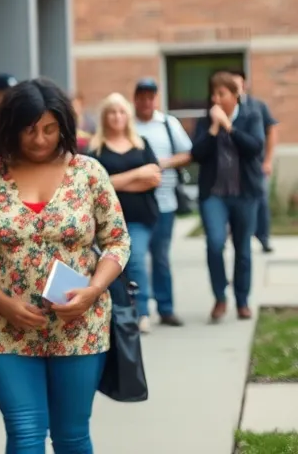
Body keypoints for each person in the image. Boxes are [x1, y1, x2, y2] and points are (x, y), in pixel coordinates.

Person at [0, 78, 129, 454]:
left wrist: (93, 291)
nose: (40, 139)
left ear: (64, 128)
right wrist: (3, 304)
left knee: (72, 435)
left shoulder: (89, 173)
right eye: (30, 129)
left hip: (79, 325)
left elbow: (117, 240)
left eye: (50, 129)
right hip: (1, 326)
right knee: (25, 434)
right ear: (10, 127)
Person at [191, 71, 266, 322]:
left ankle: (242, 301)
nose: (216, 98)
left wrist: (229, 127)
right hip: (214, 195)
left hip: (245, 194)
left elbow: (254, 147)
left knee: (242, 248)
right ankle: (220, 297)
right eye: (214, 93)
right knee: (214, 242)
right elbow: (197, 155)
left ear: (235, 96)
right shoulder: (205, 121)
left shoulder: (251, 117)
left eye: (221, 93)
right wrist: (214, 128)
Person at [87, 93, 161, 334]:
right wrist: (137, 175)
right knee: (112, 265)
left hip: (140, 217)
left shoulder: (142, 144)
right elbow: (92, 185)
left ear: (127, 115)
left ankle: (142, 312)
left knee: (136, 259)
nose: (117, 116)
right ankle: (120, 311)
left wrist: (110, 182)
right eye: (112, 112)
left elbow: (153, 179)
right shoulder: (95, 149)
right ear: (105, 117)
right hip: (106, 220)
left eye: (121, 111)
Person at [132, 77, 192, 327]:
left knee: (161, 258)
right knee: (136, 258)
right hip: (135, 204)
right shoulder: (128, 125)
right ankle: (141, 310)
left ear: (156, 99)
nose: (146, 101)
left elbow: (188, 153)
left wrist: (163, 163)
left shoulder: (168, 123)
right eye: (142, 96)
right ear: (135, 99)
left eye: (151, 96)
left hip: (164, 203)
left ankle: (166, 308)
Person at [229, 70, 280, 253]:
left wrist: (268, 160)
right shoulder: (226, 106)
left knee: (260, 200)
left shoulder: (257, 106)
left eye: (237, 84)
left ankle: (263, 237)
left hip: (254, 165)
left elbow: (271, 131)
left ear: (245, 84)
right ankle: (238, 235)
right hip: (232, 168)